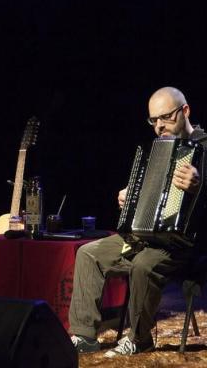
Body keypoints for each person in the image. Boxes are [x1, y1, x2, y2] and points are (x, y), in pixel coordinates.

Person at [68, 87, 207, 356]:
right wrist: (130, 197)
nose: (158, 126)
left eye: (165, 117)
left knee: (144, 264)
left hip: (184, 245)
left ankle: (140, 339)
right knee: (89, 254)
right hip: (145, 238)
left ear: (185, 111)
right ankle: (85, 336)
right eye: (153, 120)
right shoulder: (158, 149)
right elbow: (149, 193)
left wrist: (200, 186)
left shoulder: (203, 148)